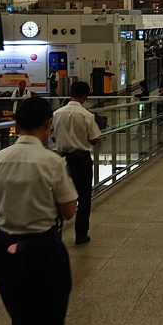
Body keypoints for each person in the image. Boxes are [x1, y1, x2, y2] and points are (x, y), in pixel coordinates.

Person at [0, 95, 76, 325]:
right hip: (44, 253)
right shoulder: (53, 162)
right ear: (48, 124)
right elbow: (68, 211)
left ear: (15, 123)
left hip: (7, 254)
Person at [51, 81, 101, 246]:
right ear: (85, 96)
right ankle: (81, 234)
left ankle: (56, 234)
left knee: (58, 197)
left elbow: (53, 137)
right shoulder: (87, 115)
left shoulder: (57, 113)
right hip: (82, 160)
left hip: (61, 159)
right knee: (84, 198)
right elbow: (93, 140)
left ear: (70, 93)